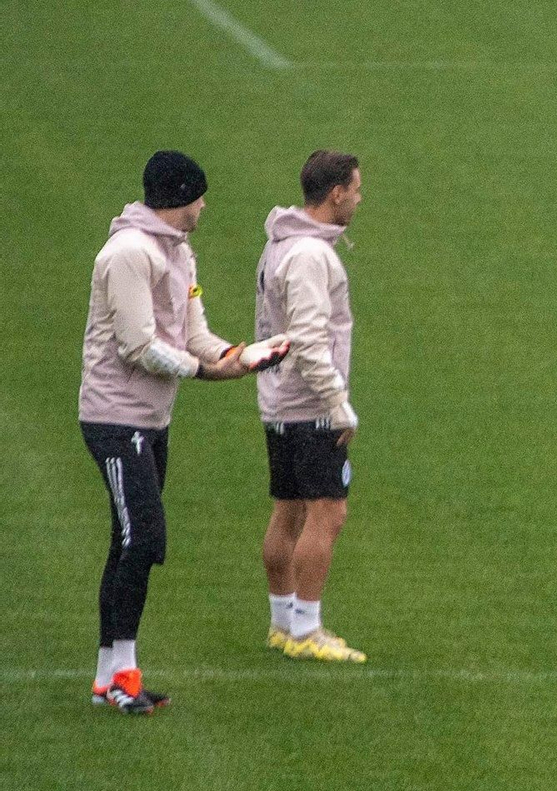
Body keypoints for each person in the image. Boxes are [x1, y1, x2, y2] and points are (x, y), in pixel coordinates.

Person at [80, 151, 284, 714]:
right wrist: (205, 369)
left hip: (151, 419)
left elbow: (194, 333)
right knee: (143, 539)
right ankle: (123, 674)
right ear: (177, 198)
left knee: (128, 544)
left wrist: (239, 355)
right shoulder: (128, 254)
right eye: (198, 196)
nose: (204, 205)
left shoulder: (179, 253)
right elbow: (138, 345)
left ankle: (109, 677)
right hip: (114, 419)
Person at [255, 150, 367, 663]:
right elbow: (308, 339)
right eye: (357, 190)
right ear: (336, 193)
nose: (360, 199)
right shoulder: (309, 256)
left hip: (281, 403)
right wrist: (338, 404)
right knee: (328, 514)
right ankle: (305, 630)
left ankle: (283, 623)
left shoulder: (282, 246)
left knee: (290, 511)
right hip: (309, 405)